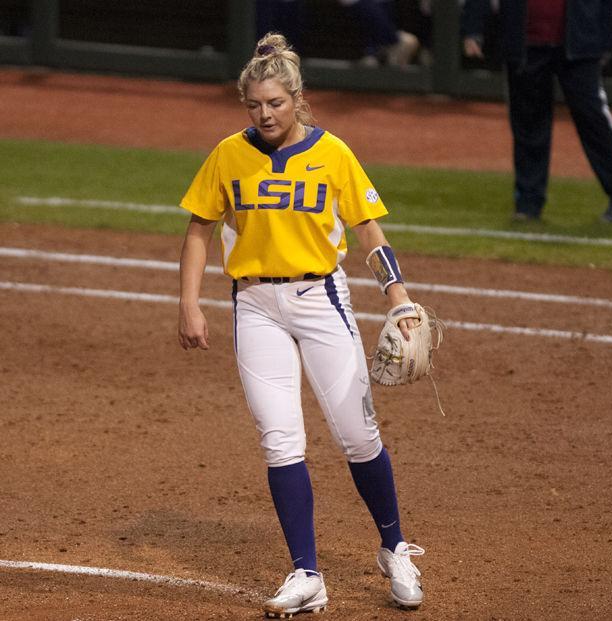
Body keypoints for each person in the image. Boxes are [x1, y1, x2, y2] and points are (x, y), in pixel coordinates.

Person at [178, 32, 425, 618]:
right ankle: (307, 574)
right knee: (280, 439)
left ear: (297, 99)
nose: (265, 115)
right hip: (255, 306)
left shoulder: (334, 153)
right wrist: (189, 303)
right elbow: (198, 230)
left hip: (323, 302)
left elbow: (369, 231)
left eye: (275, 104)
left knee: (357, 436)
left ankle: (394, 549)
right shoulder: (227, 154)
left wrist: (399, 298)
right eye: (255, 106)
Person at [461, 0, 612, 224]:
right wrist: (472, 27)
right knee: (528, 125)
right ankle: (528, 203)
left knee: (593, 120)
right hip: (525, 42)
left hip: (579, 41)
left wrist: (610, 38)